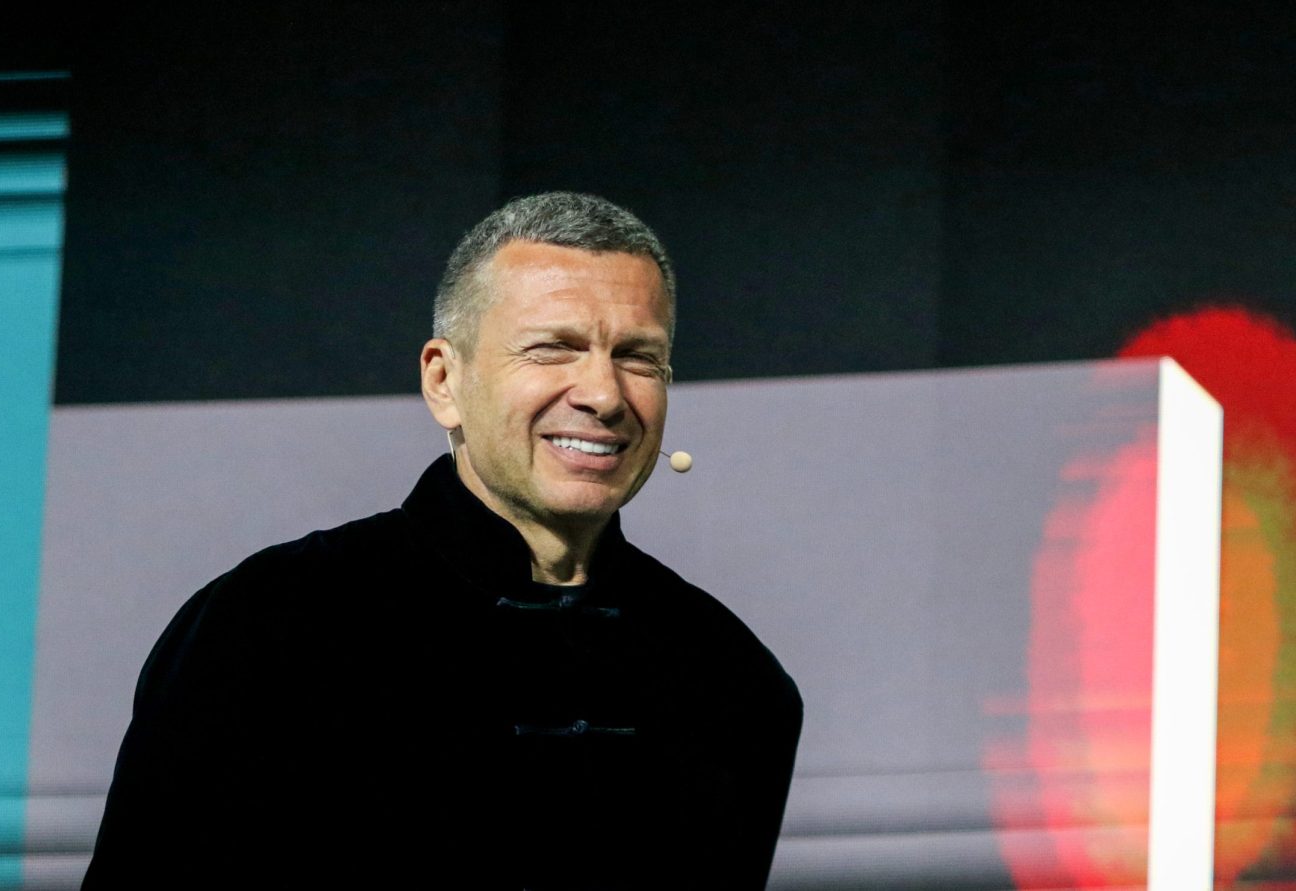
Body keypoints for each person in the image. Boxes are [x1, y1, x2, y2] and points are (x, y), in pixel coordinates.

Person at [82, 192, 802, 889]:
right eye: (554, 348)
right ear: (443, 381)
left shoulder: (735, 681)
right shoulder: (266, 626)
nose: (605, 395)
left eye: (639, 357)